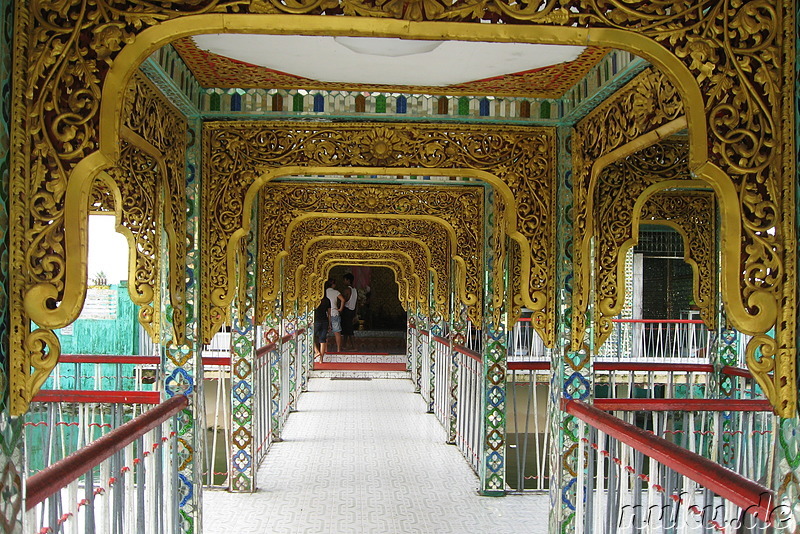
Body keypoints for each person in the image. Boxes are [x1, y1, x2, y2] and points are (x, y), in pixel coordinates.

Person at [325, 278, 345, 353]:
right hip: (334, 313)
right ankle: (338, 349)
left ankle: (325, 349)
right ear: (333, 285)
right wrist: (340, 309)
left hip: (326, 314)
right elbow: (343, 300)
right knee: (337, 332)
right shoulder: (335, 292)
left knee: (325, 333)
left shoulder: (324, 292)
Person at [313, 289, 331, 362]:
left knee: (311, 336)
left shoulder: (314, 299)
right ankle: (321, 359)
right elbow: (329, 313)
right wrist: (329, 323)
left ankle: (316, 351)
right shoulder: (327, 300)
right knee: (322, 339)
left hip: (316, 320)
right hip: (325, 321)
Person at [341, 273, 358, 351]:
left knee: (349, 330)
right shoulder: (355, 290)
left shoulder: (347, 289)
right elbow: (356, 302)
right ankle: (344, 345)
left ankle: (354, 346)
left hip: (346, 310)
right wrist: (355, 314)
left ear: (348, 280)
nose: (343, 281)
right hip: (352, 311)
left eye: (344, 280)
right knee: (346, 329)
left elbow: (344, 299)